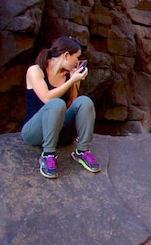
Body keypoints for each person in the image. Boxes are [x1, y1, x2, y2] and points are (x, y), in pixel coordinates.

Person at [21, 36, 100, 178]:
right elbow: (46, 98)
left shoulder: (68, 76)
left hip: (59, 133)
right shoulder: (36, 70)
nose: (78, 62)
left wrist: (75, 82)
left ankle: (82, 151)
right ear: (66, 55)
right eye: (77, 57)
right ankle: (48, 155)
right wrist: (71, 82)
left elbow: (73, 106)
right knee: (56, 103)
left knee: (85, 101)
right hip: (34, 132)